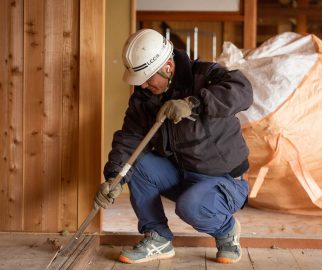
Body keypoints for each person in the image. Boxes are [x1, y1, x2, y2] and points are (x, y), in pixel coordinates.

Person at [94, 29, 253, 264]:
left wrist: (194, 102)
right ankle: (157, 237)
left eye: (148, 78)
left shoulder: (206, 74)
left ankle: (226, 230)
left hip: (224, 181)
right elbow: (129, 140)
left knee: (190, 206)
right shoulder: (144, 98)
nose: (144, 85)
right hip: (182, 173)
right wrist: (114, 178)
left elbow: (242, 91)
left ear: (168, 67)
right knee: (133, 165)